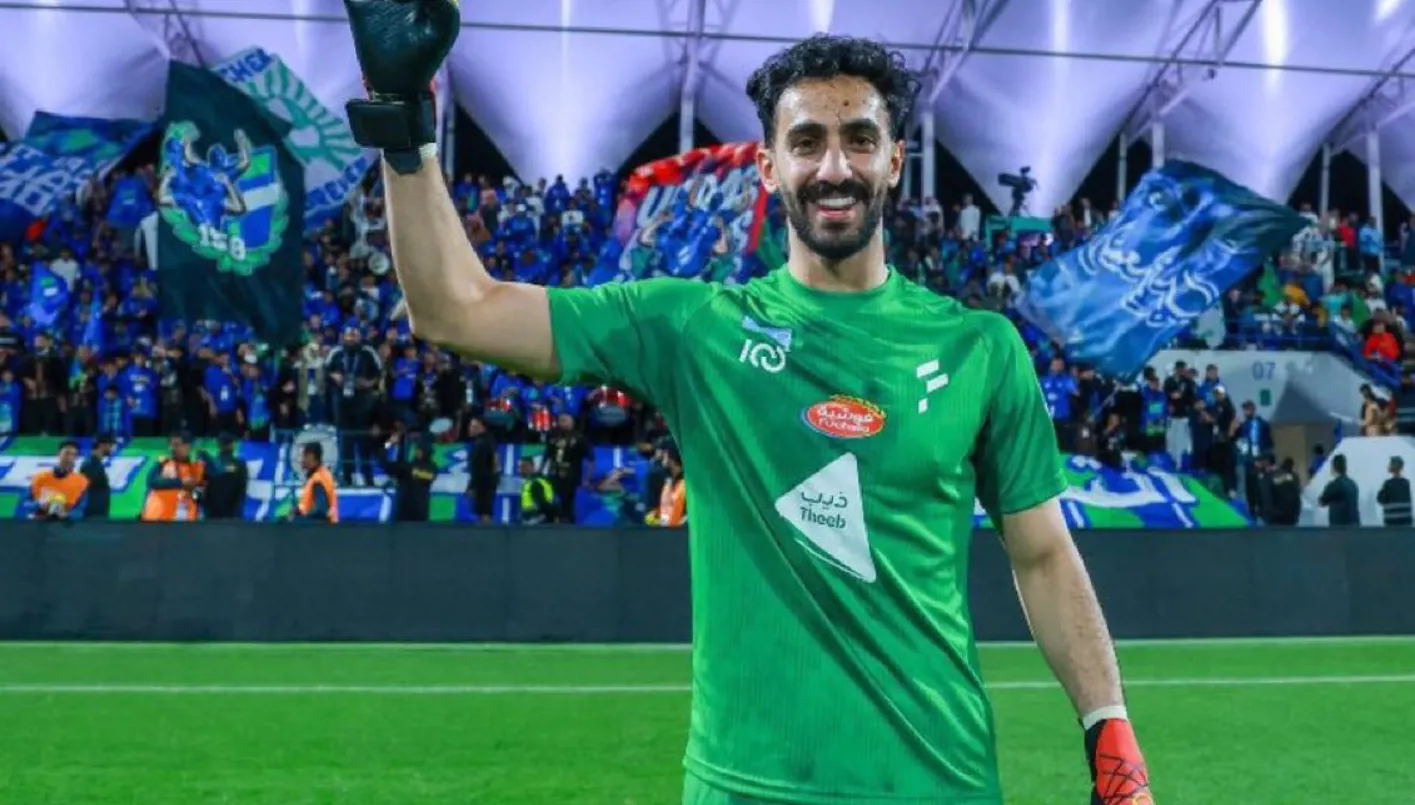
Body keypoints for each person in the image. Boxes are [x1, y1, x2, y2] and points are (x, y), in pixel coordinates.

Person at [342, 8, 1152, 804]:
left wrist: (1106, 723)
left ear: (894, 162)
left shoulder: (980, 348)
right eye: (806, 142)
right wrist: (401, 122)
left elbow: (1042, 555)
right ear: (768, 166)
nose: (833, 166)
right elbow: (456, 309)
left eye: (858, 139)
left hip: (938, 781)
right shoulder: (694, 329)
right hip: (743, 786)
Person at [140, 431, 206, 522]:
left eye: (177, 445)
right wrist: (181, 483)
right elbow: (153, 481)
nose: (172, 448)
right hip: (158, 519)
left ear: (187, 446)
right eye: (171, 445)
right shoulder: (163, 464)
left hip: (185, 520)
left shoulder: (196, 468)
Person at [380, 430, 437, 522]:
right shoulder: (406, 466)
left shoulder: (431, 467)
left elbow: (429, 476)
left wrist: (410, 471)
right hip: (404, 512)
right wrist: (389, 443)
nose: (417, 451)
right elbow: (385, 464)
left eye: (419, 450)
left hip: (418, 513)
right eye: (417, 449)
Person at [27, 440, 90, 520]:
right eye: (67, 453)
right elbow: (27, 503)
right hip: (39, 521)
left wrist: (67, 514)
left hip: (66, 524)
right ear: (58, 454)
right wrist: (38, 505)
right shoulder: (39, 478)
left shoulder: (82, 481)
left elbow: (82, 509)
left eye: (74, 455)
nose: (70, 458)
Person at [203, 433, 250, 520]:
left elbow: (242, 487)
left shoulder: (211, 464)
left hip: (216, 511)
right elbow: (242, 487)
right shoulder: (239, 464)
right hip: (228, 511)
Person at [291, 441, 339, 523]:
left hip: (320, 527)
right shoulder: (317, 476)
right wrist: (297, 511)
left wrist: (298, 520)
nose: (301, 460)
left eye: (303, 456)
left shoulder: (318, 479)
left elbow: (321, 512)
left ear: (311, 456)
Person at [78, 433, 117, 519]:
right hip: (93, 515)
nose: (113, 449)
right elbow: (86, 489)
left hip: (98, 514)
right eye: (111, 445)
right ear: (102, 445)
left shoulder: (95, 463)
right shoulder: (90, 464)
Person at [1318, 454, 1361, 526]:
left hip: (1339, 528)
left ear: (1333, 468)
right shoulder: (1353, 484)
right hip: (1355, 526)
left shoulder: (1334, 485)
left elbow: (1321, 501)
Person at [517, 456, 556, 525]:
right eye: (520, 467)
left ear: (531, 466)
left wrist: (537, 520)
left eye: (524, 467)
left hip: (535, 520)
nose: (521, 470)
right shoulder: (529, 482)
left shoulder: (536, 483)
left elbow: (543, 505)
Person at [1376, 456, 1412, 527]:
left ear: (1393, 466)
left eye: (1390, 464)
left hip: (1391, 523)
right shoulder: (1406, 483)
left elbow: (1380, 499)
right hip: (1406, 523)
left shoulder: (1388, 484)